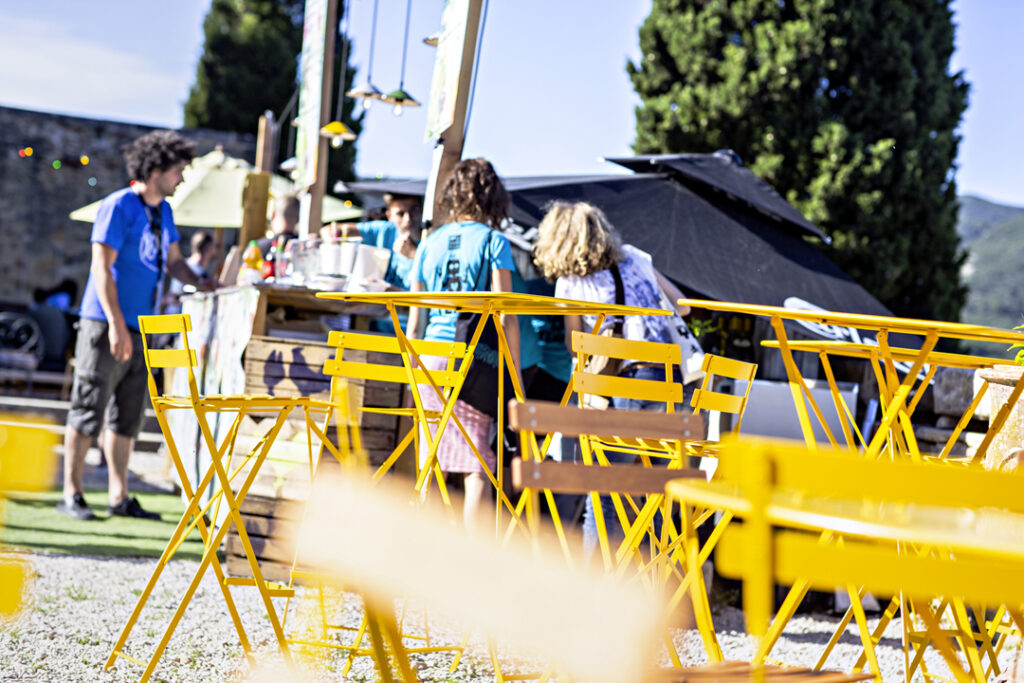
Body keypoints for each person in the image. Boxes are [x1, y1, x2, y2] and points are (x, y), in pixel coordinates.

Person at [58, 130, 216, 521]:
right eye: (178, 170)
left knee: (128, 415)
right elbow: (101, 267)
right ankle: (71, 494)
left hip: (142, 327)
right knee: (88, 407)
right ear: (157, 168)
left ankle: (119, 496)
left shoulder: (165, 212)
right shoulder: (117, 206)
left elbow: (176, 262)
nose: (182, 178)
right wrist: (115, 325)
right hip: (105, 324)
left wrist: (204, 280)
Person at [532, 200, 690, 557]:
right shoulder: (636, 258)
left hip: (623, 383)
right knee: (650, 494)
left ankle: (593, 592)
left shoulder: (571, 282)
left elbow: (577, 347)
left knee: (602, 494)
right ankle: (653, 590)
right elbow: (682, 305)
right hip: (669, 382)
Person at [406, 159, 520, 530]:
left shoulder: (429, 244)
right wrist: (514, 374)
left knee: (432, 458)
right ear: (492, 198)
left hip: (428, 358)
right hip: (473, 360)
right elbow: (507, 314)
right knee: (477, 464)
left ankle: (429, 554)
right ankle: (472, 560)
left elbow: (414, 318)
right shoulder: (493, 241)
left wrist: (411, 371)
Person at [324, 193, 423, 291]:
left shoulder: (429, 239)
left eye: (414, 211)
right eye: (400, 214)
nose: (408, 219)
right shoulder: (384, 229)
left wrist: (414, 254)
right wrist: (333, 245)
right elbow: (329, 229)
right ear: (389, 216)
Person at [163, 230, 218, 315]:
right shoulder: (186, 270)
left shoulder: (183, 266)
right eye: (215, 247)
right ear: (209, 249)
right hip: (177, 321)